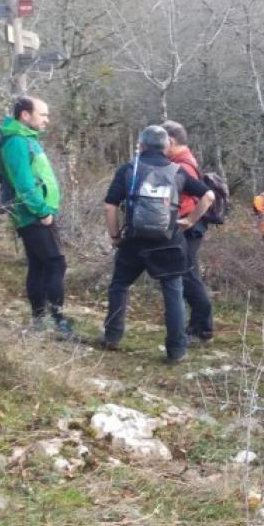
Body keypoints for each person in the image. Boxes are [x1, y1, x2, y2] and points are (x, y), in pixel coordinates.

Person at [100, 125, 215, 364]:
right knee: (173, 292)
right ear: (166, 147)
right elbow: (209, 196)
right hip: (168, 242)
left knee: (120, 285)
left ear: (141, 146)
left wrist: (114, 237)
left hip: (133, 241)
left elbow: (110, 206)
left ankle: (112, 336)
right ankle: (177, 350)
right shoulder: (177, 171)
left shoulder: (129, 169)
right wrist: (189, 221)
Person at [0, 97, 71, 337]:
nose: (47, 120)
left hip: (35, 214)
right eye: (43, 114)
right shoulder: (17, 142)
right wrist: (42, 212)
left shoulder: (25, 139)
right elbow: (24, 185)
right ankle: (57, 321)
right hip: (34, 215)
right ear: (25, 116)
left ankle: (40, 320)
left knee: (39, 265)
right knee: (55, 263)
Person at [163, 121, 214, 345]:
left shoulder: (182, 165)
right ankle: (199, 327)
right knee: (189, 276)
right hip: (191, 228)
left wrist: (190, 220)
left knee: (188, 276)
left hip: (189, 230)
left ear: (171, 140)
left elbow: (207, 196)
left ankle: (202, 329)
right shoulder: (182, 160)